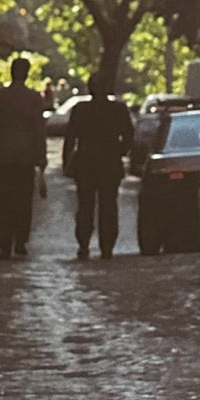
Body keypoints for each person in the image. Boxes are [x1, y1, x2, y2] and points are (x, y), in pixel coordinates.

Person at [63, 73, 134, 260]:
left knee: (85, 206)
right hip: (109, 163)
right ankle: (107, 247)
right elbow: (129, 136)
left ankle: (84, 245)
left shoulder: (81, 110)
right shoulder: (118, 110)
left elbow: (70, 138)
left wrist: (66, 163)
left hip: (86, 163)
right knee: (108, 206)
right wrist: (119, 152)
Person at [0, 56, 48, 260]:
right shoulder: (34, 98)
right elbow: (39, 129)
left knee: (4, 199)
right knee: (22, 200)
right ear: (27, 73)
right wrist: (41, 156)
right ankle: (20, 240)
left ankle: (4, 241)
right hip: (25, 156)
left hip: (1, 156)